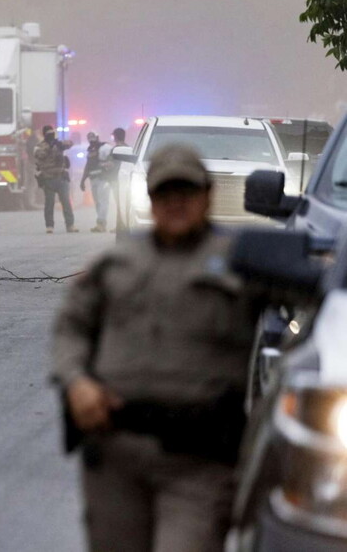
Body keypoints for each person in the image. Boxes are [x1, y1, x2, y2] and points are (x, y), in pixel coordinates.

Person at [52, 145, 254, 552]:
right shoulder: (116, 262)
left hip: (199, 460)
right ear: (150, 197)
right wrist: (76, 381)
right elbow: (71, 327)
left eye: (187, 191)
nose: (176, 202)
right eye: (165, 193)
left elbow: (314, 305)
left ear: (208, 195)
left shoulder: (244, 264)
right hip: (115, 453)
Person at [34, 125, 78, 234]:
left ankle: (70, 225)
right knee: (49, 203)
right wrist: (49, 147)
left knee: (66, 203)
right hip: (48, 178)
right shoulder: (40, 146)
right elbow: (39, 155)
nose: (51, 134)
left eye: (52, 132)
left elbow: (70, 144)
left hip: (61, 177)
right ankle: (49, 226)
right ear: (44, 134)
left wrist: (60, 144)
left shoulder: (58, 144)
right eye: (48, 133)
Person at [79, 131, 110, 233]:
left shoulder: (105, 148)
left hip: (103, 179)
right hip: (93, 179)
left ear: (97, 137)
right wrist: (83, 180)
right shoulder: (90, 150)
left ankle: (101, 223)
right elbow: (88, 166)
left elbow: (112, 162)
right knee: (97, 203)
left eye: (93, 137)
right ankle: (101, 224)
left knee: (103, 201)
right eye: (89, 138)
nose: (91, 140)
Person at [104, 127, 129, 231]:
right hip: (127, 179)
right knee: (125, 203)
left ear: (115, 136)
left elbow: (110, 164)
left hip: (117, 180)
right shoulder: (129, 148)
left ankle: (120, 226)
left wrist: (104, 165)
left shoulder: (114, 150)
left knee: (119, 204)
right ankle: (123, 225)